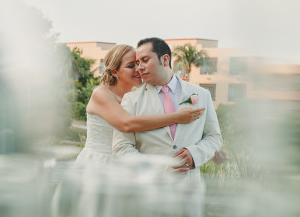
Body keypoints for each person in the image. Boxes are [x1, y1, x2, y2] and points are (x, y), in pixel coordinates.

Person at [112, 37, 223, 217]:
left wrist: (195, 154)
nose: (139, 67)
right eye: (136, 62)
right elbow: (121, 148)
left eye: (145, 60)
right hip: (146, 195)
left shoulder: (201, 95)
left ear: (165, 59)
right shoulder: (131, 100)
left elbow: (215, 137)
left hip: (188, 194)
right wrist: (157, 169)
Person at [75, 44, 204, 167]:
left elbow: (157, 127)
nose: (139, 69)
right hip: (98, 163)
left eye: (138, 63)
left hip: (128, 164)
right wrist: (176, 117)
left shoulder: (138, 96)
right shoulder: (101, 94)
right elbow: (126, 124)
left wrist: (200, 145)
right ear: (114, 72)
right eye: (131, 66)